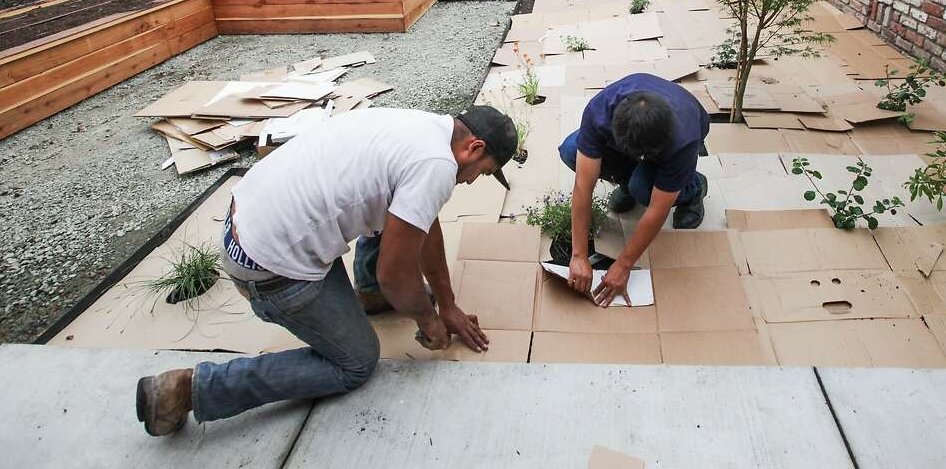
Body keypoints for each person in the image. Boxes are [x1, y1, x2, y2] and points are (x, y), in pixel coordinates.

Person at [135, 105, 517, 437]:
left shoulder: (424, 128)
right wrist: (428, 318)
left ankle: (366, 296)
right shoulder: (435, 166)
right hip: (268, 266)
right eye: (481, 173)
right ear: (474, 148)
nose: (470, 182)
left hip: (253, 219)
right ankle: (189, 389)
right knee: (356, 362)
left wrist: (447, 303)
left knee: (396, 216)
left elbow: (424, 223)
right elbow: (396, 275)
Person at [558, 73, 709, 308]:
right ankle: (631, 180)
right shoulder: (600, 112)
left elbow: (658, 210)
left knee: (643, 191)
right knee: (570, 150)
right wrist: (578, 255)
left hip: (687, 124)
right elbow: (582, 186)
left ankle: (693, 187)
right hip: (635, 132)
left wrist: (623, 264)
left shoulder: (683, 139)